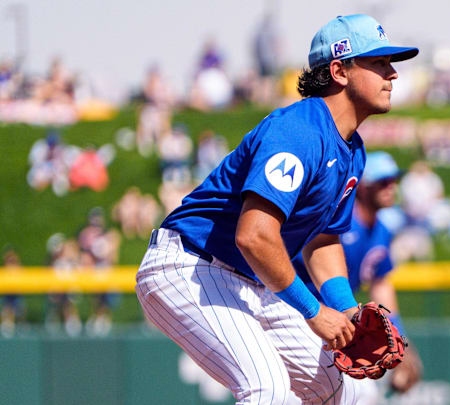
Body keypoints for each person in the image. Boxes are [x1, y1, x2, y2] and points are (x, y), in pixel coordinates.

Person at [135, 14, 418, 404]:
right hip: (189, 265)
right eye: (378, 63)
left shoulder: (352, 149)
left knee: (347, 390)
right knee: (267, 389)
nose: (393, 74)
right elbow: (254, 235)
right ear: (340, 71)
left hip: (252, 279)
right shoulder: (299, 130)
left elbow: (322, 239)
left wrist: (347, 310)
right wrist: (314, 312)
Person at [292, 151, 423, 398]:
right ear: (362, 187)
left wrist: (403, 344)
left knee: (358, 394)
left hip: (335, 324)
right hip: (302, 314)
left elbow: (381, 285)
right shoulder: (338, 224)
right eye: (382, 181)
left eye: (394, 180)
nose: (391, 186)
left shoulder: (382, 230)